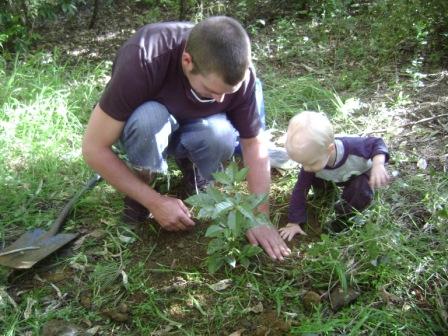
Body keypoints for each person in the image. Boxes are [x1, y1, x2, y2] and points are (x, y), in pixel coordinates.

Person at [82, 16, 291, 260]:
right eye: (212, 91)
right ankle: (140, 190)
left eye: (228, 94)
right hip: (147, 128)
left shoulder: (242, 77)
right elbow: (93, 148)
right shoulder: (144, 57)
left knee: (221, 133)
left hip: (198, 128)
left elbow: (254, 145)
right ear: (187, 61)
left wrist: (259, 217)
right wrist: (154, 201)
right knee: (148, 119)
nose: (220, 101)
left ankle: (195, 172)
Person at [279, 111, 390, 240]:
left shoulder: (355, 147)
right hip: (334, 176)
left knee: (360, 190)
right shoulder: (312, 160)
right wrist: (294, 221)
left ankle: (343, 221)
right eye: (302, 163)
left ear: (330, 149)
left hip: (358, 174)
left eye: (310, 163)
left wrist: (378, 164)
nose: (305, 168)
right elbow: (300, 190)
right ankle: (325, 193)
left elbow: (377, 143)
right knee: (309, 177)